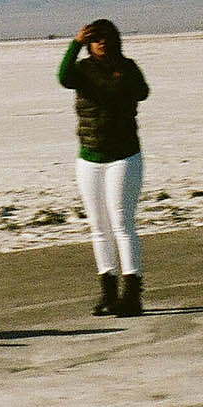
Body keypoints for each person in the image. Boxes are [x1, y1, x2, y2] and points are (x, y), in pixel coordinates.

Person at [57, 17, 150, 316]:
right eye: (95, 39)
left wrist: (119, 75)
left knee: (122, 223)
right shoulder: (81, 71)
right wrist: (73, 44)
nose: (101, 44)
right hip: (89, 158)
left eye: (106, 38)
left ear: (116, 41)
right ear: (88, 44)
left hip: (123, 157)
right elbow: (62, 77)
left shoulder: (128, 68)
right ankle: (108, 292)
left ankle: (131, 293)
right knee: (98, 226)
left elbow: (142, 92)